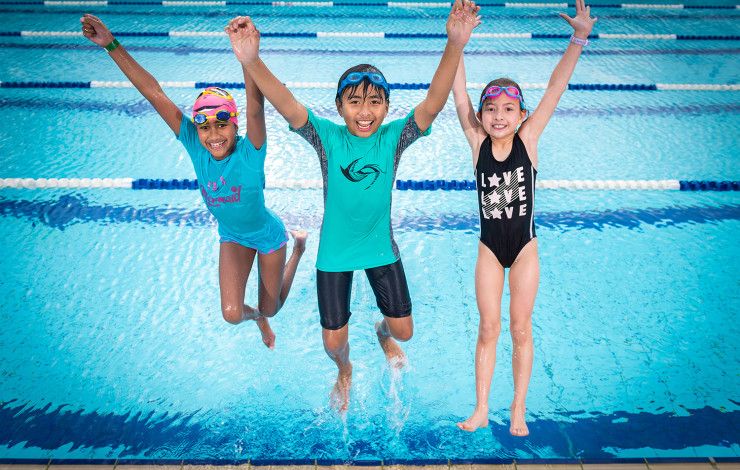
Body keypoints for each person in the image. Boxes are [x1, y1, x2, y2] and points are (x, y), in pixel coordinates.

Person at [224, 1, 480, 411]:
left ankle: (382, 334)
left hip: (380, 247)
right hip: (336, 254)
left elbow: (433, 102)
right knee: (333, 344)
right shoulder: (327, 138)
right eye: (355, 102)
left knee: (405, 331)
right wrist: (252, 61)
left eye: (375, 102)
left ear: (387, 108)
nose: (365, 112)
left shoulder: (393, 138)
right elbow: (287, 103)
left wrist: (454, 44)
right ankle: (345, 371)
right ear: (339, 107)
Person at [80, 14, 307, 349]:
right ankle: (256, 318)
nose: (213, 134)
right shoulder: (194, 145)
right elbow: (153, 92)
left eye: (221, 124)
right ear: (196, 128)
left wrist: (247, 58)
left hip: (266, 235)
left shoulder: (251, 151)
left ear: (235, 125)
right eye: (204, 126)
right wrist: (111, 45)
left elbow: (255, 108)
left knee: (271, 308)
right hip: (232, 236)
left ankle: (298, 250)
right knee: (232, 313)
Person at [450, 0, 596, 436]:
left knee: (519, 328)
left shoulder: (528, 140)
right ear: (481, 115)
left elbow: (555, 87)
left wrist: (579, 37)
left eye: (508, 110)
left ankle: (517, 409)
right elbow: (457, 94)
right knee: (488, 328)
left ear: (522, 116)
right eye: (490, 110)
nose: (498, 117)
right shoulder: (476, 142)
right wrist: (456, 41)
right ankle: (480, 408)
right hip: (490, 250)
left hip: (526, 249)